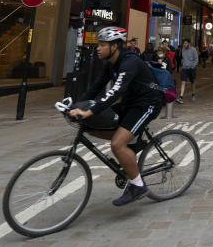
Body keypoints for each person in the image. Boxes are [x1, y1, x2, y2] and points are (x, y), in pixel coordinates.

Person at [68, 26, 163, 206]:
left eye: (103, 44)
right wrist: (76, 106)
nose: (98, 48)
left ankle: (137, 186)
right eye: (99, 44)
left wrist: (89, 111)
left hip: (147, 104)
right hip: (129, 103)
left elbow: (115, 91)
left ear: (115, 46)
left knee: (117, 144)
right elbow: (96, 88)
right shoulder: (110, 64)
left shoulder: (130, 62)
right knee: (92, 128)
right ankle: (132, 146)